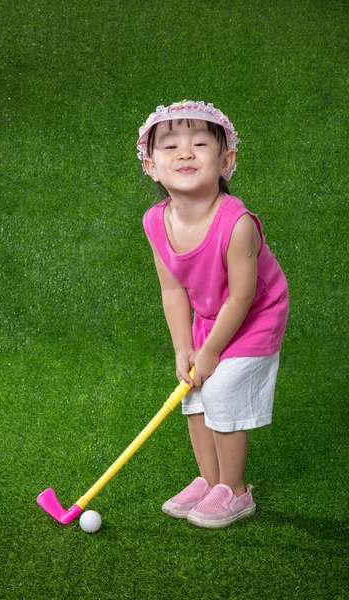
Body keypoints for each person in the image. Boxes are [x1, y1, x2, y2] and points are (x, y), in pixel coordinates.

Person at [137, 100, 289, 528]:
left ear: (226, 160)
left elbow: (241, 299)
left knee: (221, 391)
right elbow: (172, 288)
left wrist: (210, 354)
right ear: (151, 166)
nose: (185, 153)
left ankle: (236, 491)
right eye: (170, 146)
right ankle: (209, 481)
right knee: (191, 390)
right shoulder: (155, 221)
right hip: (210, 313)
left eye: (200, 143)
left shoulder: (236, 222)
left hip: (255, 314)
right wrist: (185, 348)